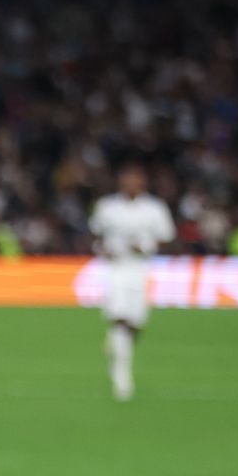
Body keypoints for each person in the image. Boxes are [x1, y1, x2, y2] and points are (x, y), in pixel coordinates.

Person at [89, 164, 175, 401]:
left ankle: (115, 347)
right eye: (126, 179)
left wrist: (146, 247)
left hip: (140, 268)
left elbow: (167, 238)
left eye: (134, 180)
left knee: (135, 323)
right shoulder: (107, 207)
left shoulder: (154, 209)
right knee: (120, 318)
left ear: (142, 183)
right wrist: (101, 249)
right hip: (115, 268)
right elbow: (95, 235)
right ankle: (122, 377)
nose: (130, 184)